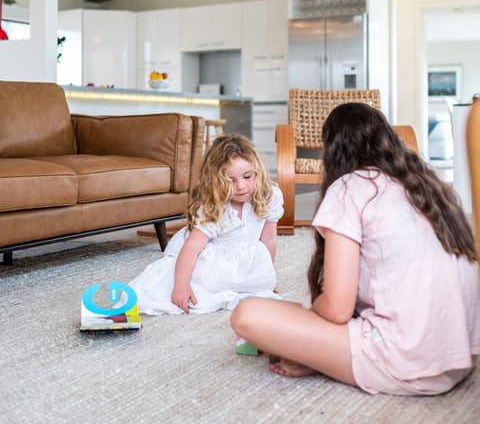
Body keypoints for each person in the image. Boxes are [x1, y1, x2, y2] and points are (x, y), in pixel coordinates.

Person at [231, 102, 480, 396]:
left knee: (246, 314)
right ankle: (321, 354)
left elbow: (337, 309)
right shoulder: (426, 187)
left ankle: (319, 357)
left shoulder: (350, 186)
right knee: (296, 311)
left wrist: (310, 322)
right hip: (461, 357)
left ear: (332, 151)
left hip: (407, 360)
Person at [128, 133, 283, 315]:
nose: (241, 186)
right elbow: (192, 248)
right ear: (216, 181)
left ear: (259, 173)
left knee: (256, 290)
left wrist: (267, 278)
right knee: (164, 287)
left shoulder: (269, 196)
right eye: (230, 180)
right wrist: (181, 285)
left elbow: (269, 239)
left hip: (243, 258)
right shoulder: (214, 207)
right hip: (208, 254)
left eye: (247, 177)